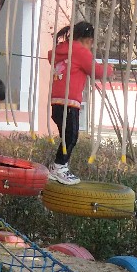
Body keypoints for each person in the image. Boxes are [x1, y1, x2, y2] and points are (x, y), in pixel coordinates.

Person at [47, 21, 114, 185]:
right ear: (88, 40)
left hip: (56, 102)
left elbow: (51, 56)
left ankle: (58, 166)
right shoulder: (79, 51)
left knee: (67, 136)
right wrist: (110, 69)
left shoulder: (62, 50)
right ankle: (59, 166)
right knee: (71, 136)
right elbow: (97, 71)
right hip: (69, 102)